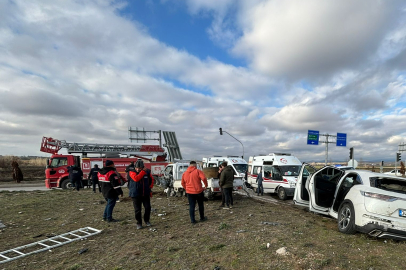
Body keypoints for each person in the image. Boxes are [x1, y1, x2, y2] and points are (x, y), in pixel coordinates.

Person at [129, 160, 154, 229]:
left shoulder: (147, 172)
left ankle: (147, 220)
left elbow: (151, 180)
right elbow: (136, 179)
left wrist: (150, 188)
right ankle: (139, 223)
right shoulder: (132, 172)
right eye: (137, 168)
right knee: (137, 210)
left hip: (145, 193)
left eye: (140, 168)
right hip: (135, 194)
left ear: (142, 167)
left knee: (148, 208)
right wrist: (143, 172)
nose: (138, 169)